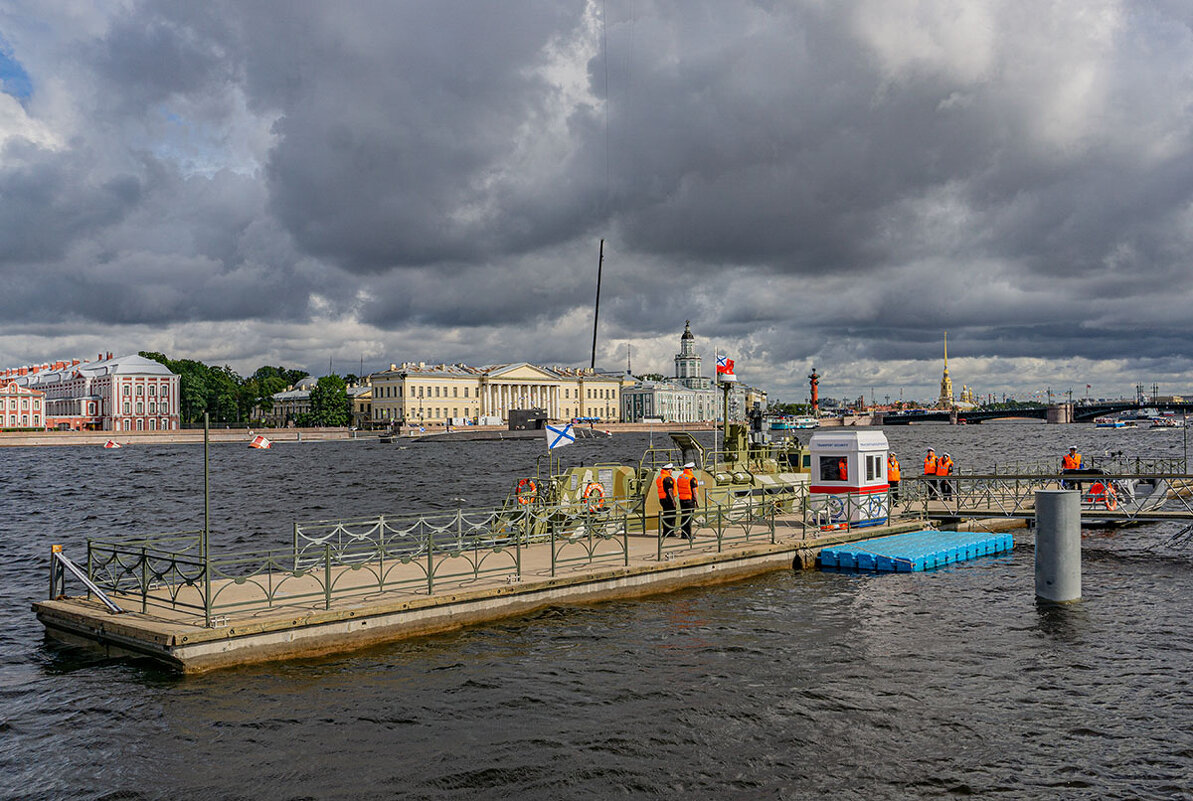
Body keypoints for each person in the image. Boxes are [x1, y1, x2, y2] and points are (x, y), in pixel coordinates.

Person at [677, 461, 699, 540]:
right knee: (689, 518)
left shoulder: (680, 477)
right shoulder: (691, 478)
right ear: (691, 469)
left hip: (682, 499)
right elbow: (694, 491)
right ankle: (688, 535)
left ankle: (683, 534)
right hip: (689, 500)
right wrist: (697, 502)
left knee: (684, 517)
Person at [656, 463, 679, 538]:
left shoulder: (660, 477)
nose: (672, 471)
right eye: (671, 469)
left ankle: (665, 532)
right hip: (668, 499)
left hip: (662, 499)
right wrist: (673, 501)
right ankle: (670, 532)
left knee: (666, 515)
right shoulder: (667, 478)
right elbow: (670, 490)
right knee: (671, 516)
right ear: (669, 470)